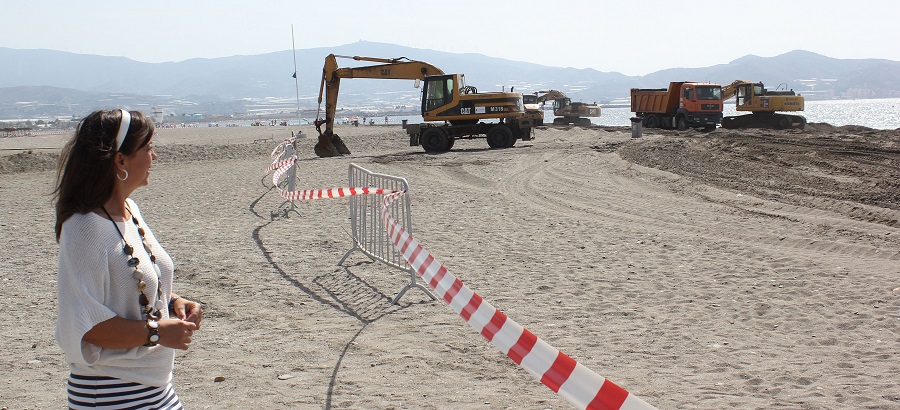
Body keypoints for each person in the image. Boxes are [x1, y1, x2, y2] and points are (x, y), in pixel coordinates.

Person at [53, 109, 203, 409]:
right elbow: (85, 324)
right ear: (120, 160)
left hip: (155, 388)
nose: (154, 157)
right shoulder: (83, 228)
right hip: (110, 393)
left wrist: (172, 301)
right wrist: (157, 331)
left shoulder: (129, 209)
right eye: (147, 149)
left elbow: (126, 283)